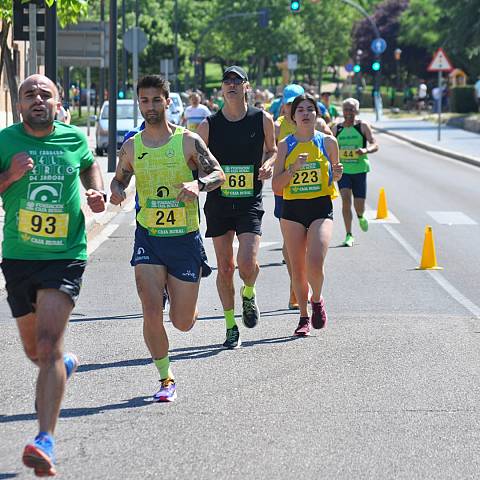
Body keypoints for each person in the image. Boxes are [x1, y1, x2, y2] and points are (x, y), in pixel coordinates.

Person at [0, 74, 106, 476]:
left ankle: (45, 439)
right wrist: (9, 176)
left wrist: (95, 193)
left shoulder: (73, 138)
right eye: (30, 95)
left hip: (65, 255)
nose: (38, 99)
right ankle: (63, 365)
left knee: (47, 345)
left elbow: (90, 168)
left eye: (46, 94)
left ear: (59, 102)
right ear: (19, 103)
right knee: (36, 353)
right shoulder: (5, 141)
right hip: (19, 257)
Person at [110, 75, 225, 402]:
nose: (150, 106)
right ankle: (165, 378)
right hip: (149, 237)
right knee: (150, 311)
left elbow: (218, 174)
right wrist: (116, 193)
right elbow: (118, 180)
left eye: (156, 100)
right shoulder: (133, 146)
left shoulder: (187, 142)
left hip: (184, 239)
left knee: (183, 322)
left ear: (167, 100)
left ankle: (179, 300)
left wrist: (198, 185)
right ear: (139, 103)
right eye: (144, 101)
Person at [197, 66, 276, 349]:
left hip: (249, 201)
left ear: (246, 87)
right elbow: (196, 160)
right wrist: (203, 178)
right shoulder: (208, 125)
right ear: (221, 89)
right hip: (219, 202)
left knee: (246, 263)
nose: (231, 85)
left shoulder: (262, 119)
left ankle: (249, 291)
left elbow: (273, 149)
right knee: (226, 268)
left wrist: (268, 163)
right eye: (226, 81)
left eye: (236, 81)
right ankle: (231, 325)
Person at [272, 93, 342, 336]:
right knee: (298, 268)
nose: (305, 113)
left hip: (320, 207)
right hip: (292, 210)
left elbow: (334, 176)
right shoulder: (286, 145)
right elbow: (276, 186)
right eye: (300, 109)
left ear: (316, 114)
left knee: (315, 261)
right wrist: (293, 169)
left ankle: (317, 299)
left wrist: (338, 173)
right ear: (293, 117)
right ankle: (303, 317)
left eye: (310, 109)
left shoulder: (328, 142)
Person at [331, 98, 378, 247]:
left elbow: (375, 144)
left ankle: (360, 215)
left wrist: (365, 150)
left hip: (360, 170)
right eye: (346, 109)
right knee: (345, 200)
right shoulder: (336, 129)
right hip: (343, 171)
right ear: (342, 111)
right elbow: (329, 145)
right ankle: (349, 234)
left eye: (351, 109)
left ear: (356, 111)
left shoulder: (362, 126)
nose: (348, 112)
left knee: (359, 205)